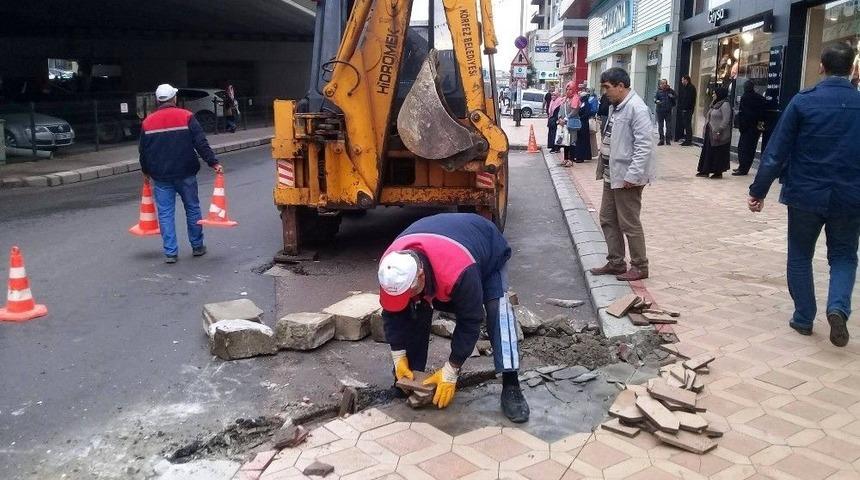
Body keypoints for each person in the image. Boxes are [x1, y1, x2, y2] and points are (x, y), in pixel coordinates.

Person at [748, 43, 860, 346]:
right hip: (850, 197)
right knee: (844, 256)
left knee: (800, 255)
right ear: (852, 68)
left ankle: (803, 318)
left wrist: (758, 190)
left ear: (821, 67)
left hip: (805, 195)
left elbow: (775, 152)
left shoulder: (803, 101)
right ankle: (837, 307)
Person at [377, 213, 530, 422]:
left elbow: (471, 320)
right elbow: (392, 313)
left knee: (498, 310)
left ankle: (511, 385)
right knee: (416, 305)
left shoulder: (459, 272)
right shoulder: (392, 268)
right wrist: (398, 355)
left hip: (485, 249)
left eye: (409, 291)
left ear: (420, 276)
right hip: (442, 243)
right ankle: (412, 378)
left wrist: (452, 369)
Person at [139, 83, 223, 263]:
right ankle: (197, 246)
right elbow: (201, 143)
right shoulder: (187, 117)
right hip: (186, 172)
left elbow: (143, 151)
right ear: (174, 98)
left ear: (157, 100)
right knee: (192, 208)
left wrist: (146, 171)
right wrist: (213, 162)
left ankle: (170, 252)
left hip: (161, 176)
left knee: (165, 213)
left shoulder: (147, 122)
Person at [589, 68, 657, 282]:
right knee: (608, 218)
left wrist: (634, 175)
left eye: (608, 88)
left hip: (627, 177)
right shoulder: (617, 107)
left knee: (629, 222)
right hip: (613, 174)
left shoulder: (636, 108)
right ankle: (616, 262)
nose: (605, 92)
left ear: (621, 86)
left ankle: (640, 266)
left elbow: (644, 145)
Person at [695, 87, 732, 179]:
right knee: (708, 152)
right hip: (710, 132)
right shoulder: (714, 104)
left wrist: (719, 130)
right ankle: (705, 170)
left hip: (719, 133)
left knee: (718, 152)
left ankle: (718, 172)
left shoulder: (725, 104)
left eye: (714, 93)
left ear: (720, 94)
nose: (713, 95)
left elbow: (726, 119)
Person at [732, 81, 767, 176]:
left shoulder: (745, 97)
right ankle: (744, 167)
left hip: (747, 128)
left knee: (743, 148)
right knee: (750, 148)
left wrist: (741, 126)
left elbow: (743, 113)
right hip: (755, 128)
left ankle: (743, 168)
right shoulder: (760, 98)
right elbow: (762, 113)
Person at [557, 81, 581, 167]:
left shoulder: (576, 98)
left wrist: (566, 118)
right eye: (567, 89)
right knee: (565, 142)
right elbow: (560, 109)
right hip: (564, 124)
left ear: (574, 89)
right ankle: (565, 159)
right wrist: (560, 118)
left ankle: (571, 160)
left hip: (572, 124)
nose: (568, 91)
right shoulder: (565, 99)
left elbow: (575, 111)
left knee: (572, 142)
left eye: (570, 89)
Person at [574, 86, 594, 162]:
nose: (580, 98)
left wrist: (580, 117)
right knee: (579, 140)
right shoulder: (581, 104)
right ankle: (578, 155)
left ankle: (581, 157)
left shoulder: (587, 104)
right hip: (580, 124)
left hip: (584, 124)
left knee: (583, 141)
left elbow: (588, 113)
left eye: (581, 96)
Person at [675, 75, 696, 145]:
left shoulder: (690, 88)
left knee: (687, 125)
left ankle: (688, 140)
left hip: (688, 110)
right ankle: (687, 140)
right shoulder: (685, 88)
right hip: (685, 109)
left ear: (686, 80)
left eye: (682, 80)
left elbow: (689, 100)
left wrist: (685, 108)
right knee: (686, 125)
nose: (681, 81)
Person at [654, 79, 676, 145]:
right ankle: (661, 140)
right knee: (660, 126)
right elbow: (655, 98)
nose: (663, 84)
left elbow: (676, 96)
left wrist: (672, 96)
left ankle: (668, 140)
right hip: (660, 111)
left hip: (668, 111)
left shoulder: (670, 90)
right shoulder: (658, 91)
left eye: (664, 83)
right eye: (662, 83)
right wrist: (656, 101)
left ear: (666, 83)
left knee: (668, 126)